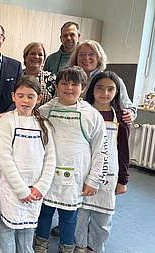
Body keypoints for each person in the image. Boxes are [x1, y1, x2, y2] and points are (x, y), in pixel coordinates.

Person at [34, 66, 108, 253]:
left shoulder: (92, 115)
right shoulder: (44, 111)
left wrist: (93, 180)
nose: (69, 88)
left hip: (75, 176)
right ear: (57, 86)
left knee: (69, 216)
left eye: (75, 84)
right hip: (46, 174)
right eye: (64, 83)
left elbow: (100, 151)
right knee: (44, 213)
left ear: (83, 88)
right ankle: (40, 243)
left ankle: (66, 247)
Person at [0, 76, 56, 253]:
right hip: (13, 187)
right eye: (21, 95)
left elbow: (50, 158)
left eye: (30, 96)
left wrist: (41, 187)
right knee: (8, 227)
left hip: (36, 189)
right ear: (13, 96)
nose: (25, 100)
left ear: (38, 99)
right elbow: (4, 158)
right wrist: (21, 189)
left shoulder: (43, 124)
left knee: (28, 227)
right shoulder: (8, 121)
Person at [74, 71, 130, 253]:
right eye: (100, 88)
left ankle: (95, 248)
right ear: (91, 90)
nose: (104, 93)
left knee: (103, 216)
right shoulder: (83, 113)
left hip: (109, 175)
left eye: (110, 89)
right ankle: (80, 246)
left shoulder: (121, 117)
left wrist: (123, 179)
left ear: (117, 92)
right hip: (83, 173)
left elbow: (123, 151)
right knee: (80, 214)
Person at [69, 40, 137, 124]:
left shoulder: (113, 81)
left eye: (91, 54)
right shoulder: (69, 80)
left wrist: (130, 114)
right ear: (76, 58)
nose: (86, 58)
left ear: (99, 57)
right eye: (82, 54)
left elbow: (130, 108)